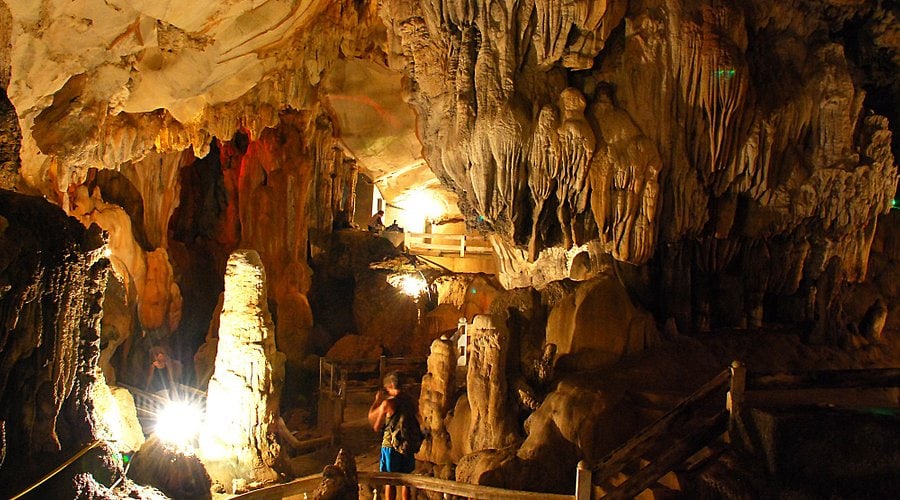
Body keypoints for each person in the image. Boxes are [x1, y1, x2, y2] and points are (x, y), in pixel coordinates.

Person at [367, 371, 420, 500]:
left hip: (390, 447)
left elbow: (376, 425)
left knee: (390, 481)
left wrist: (377, 401)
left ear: (390, 385)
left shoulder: (388, 403)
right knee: (405, 481)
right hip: (407, 445)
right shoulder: (411, 401)